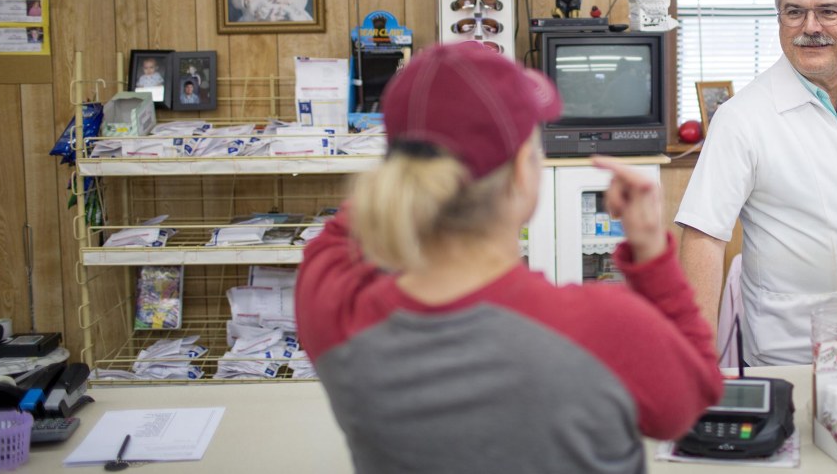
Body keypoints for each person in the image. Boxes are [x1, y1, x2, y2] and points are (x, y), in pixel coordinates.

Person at [295, 42, 722, 473]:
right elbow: (691, 399)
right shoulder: (601, 327)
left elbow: (336, 238)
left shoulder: (336, 310)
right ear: (523, 171)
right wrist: (650, 251)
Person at [675, 0, 837, 366]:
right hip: (791, 353)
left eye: (828, 11)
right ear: (779, 21)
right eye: (795, 12)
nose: (810, 27)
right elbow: (703, 238)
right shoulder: (741, 118)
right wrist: (696, 367)